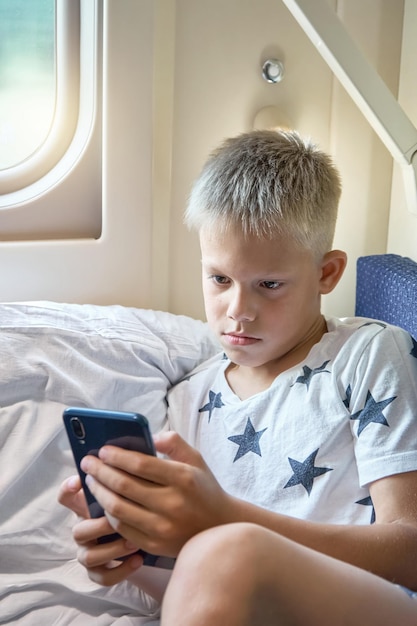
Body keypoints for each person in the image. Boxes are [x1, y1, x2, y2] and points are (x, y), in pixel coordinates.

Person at [59, 129, 417, 625]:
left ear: (327, 274)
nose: (238, 311)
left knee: (234, 550)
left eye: (269, 285)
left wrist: (226, 519)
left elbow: (410, 549)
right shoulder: (189, 398)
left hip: (368, 607)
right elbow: (196, 591)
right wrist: (130, 557)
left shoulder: (369, 354)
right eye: (220, 279)